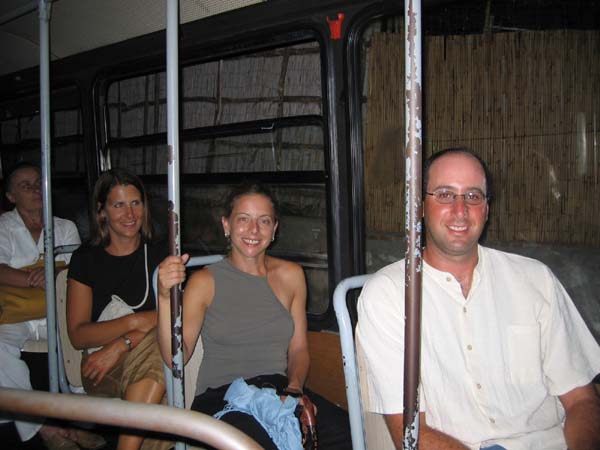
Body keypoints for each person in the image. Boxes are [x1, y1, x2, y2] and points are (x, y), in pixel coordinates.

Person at [356, 148, 600, 450]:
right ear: (419, 206)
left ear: (486, 208)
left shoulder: (536, 280)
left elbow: (582, 399)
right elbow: (411, 433)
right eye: (445, 195)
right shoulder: (389, 296)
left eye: (473, 196)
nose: (460, 210)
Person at [158, 181, 350, 449]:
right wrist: (165, 297)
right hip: (222, 397)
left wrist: (295, 389)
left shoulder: (292, 276)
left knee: (347, 433)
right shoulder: (205, 282)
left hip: (276, 389)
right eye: (243, 219)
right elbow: (175, 357)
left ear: (275, 228)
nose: (254, 230)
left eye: (264, 221)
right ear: (226, 225)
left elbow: (298, 349)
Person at [0, 162, 104, 450]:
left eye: (38, 183)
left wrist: (48, 273)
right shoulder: (3, 227)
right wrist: (34, 278)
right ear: (11, 197)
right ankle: (46, 428)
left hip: (57, 310)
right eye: (26, 186)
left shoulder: (64, 227)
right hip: (16, 314)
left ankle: (77, 423)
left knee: (84, 341)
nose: (36, 189)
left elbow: (76, 270)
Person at [67, 169, 169, 450]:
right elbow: (78, 335)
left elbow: (176, 317)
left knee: (163, 391)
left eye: (136, 203)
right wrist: (134, 322)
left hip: (143, 357)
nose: (130, 214)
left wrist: (124, 342)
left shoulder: (161, 253)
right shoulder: (85, 259)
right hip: (102, 366)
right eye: (118, 205)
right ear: (102, 212)